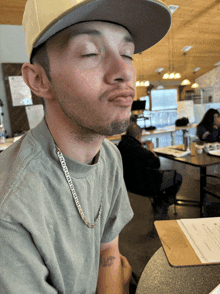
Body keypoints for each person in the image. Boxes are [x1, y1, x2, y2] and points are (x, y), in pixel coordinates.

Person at [0, 0, 171, 293]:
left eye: (127, 54)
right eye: (90, 52)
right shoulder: (11, 207)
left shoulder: (109, 156)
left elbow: (108, 251)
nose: (124, 72)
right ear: (39, 80)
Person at [118, 124, 182, 217]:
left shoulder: (120, 147)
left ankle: (158, 201)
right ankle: (163, 204)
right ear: (139, 135)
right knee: (177, 177)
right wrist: (150, 149)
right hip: (146, 185)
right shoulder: (142, 152)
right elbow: (157, 164)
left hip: (129, 184)